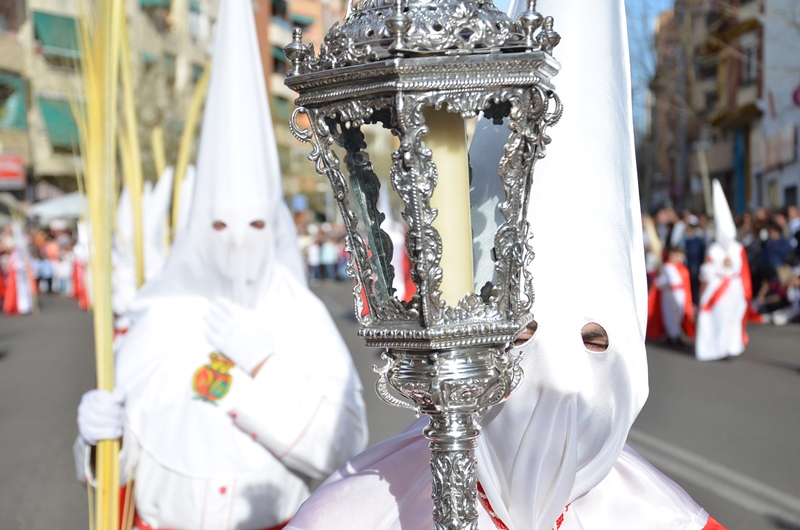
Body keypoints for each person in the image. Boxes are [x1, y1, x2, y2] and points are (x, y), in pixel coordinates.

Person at [286, 1, 724, 528]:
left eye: (595, 340)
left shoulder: (670, 520)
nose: (560, 380)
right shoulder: (358, 515)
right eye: (526, 333)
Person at [74, 1, 368, 528]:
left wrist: (265, 370)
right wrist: (98, 443)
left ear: (274, 229)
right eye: (218, 228)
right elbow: (118, 473)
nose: (236, 243)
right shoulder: (158, 321)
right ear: (195, 236)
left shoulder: (300, 318)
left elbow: (342, 456)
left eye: (254, 226)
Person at [695, 180, 752, 362]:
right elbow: (707, 270)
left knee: (733, 318)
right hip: (717, 287)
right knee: (717, 318)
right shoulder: (713, 249)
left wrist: (744, 290)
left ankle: (732, 346)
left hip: (734, 288)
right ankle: (715, 348)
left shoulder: (738, 248)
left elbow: (743, 270)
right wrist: (711, 275)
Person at [646, 246, 695, 344]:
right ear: (672, 255)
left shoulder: (682, 268)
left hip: (681, 293)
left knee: (679, 314)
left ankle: (676, 334)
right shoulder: (668, 266)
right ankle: (673, 335)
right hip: (669, 294)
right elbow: (662, 282)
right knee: (671, 315)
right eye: (679, 255)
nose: (681, 258)